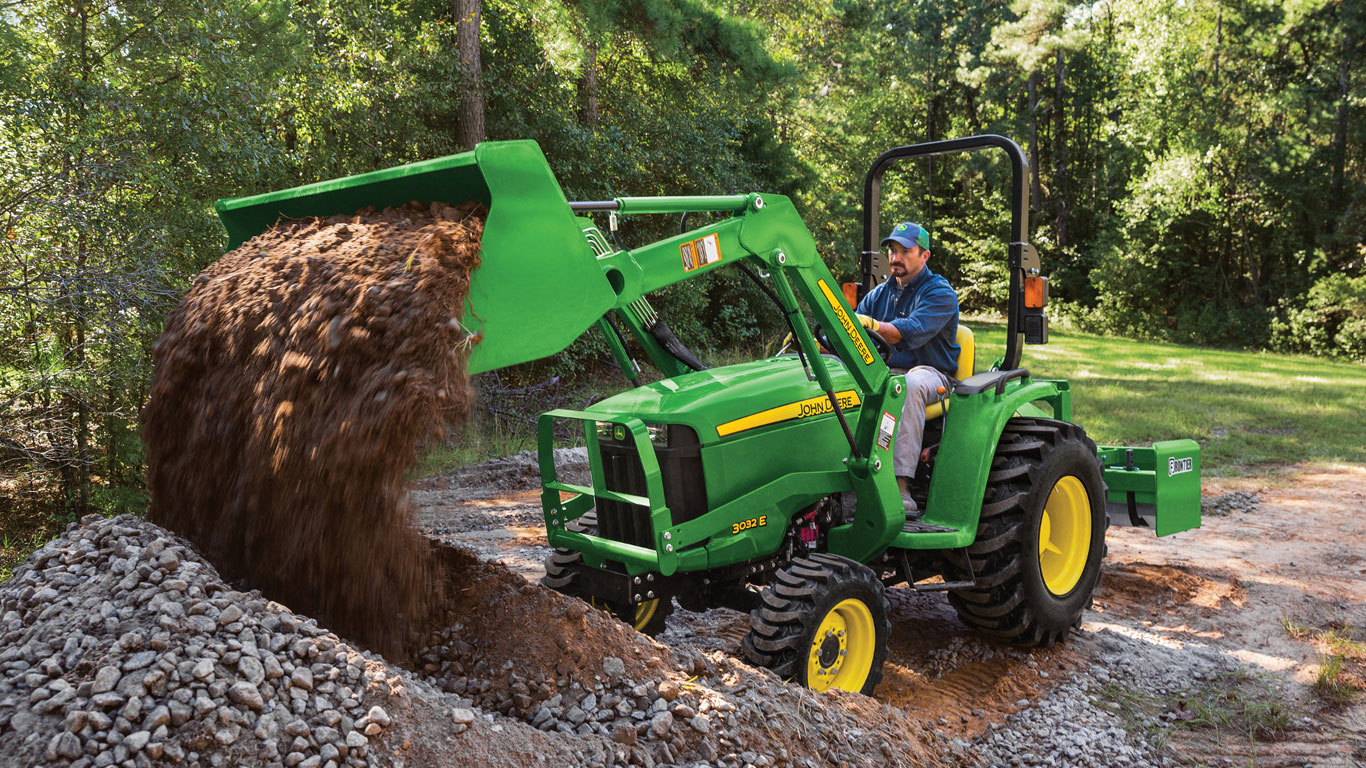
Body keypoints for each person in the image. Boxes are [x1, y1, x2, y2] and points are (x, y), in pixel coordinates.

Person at [853, 222, 960, 517]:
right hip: (887, 371)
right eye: (892, 250)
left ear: (924, 256)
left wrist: (873, 325)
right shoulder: (879, 294)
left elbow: (909, 331)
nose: (895, 257)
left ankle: (900, 485)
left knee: (907, 387)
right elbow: (854, 329)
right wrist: (820, 343)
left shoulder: (940, 293)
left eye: (904, 251)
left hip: (932, 373)